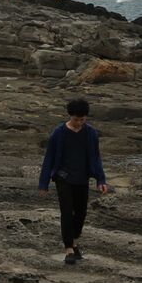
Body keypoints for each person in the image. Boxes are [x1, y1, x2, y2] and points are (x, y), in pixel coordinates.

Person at [38, 98, 108, 265]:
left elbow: (96, 158)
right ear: (70, 116)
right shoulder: (58, 133)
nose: (79, 122)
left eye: (82, 120)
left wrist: (101, 179)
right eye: (76, 119)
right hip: (63, 178)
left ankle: (74, 240)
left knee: (81, 213)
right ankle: (69, 249)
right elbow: (49, 159)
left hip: (82, 178)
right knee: (67, 212)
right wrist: (43, 184)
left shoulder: (91, 133)